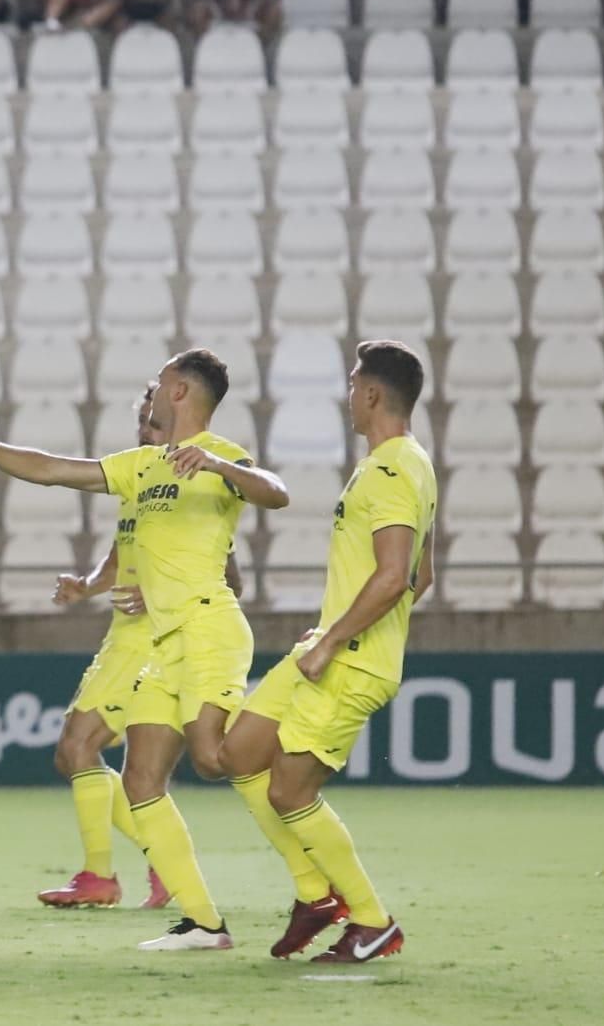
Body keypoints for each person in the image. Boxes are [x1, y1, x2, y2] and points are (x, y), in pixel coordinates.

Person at [0, 348, 291, 950]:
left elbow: (276, 493)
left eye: (160, 385)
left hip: (201, 630)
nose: (149, 397)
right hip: (160, 645)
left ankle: (306, 838)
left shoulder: (221, 456)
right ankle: (203, 922)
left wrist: (220, 469)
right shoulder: (140, 468)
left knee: (211, 759)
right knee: (140, 778)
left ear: (178, 391)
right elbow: (49, 468)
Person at [218, 342, 436, 964]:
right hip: (331, 645)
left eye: (351, 384)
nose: (348, 396)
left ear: (370, 394)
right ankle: (316, 896)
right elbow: (424, 576)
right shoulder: (408, 465)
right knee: (239, 753)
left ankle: (372, 921)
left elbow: (396, 576)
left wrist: (343, 640)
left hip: (347, 655)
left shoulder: (392, 470)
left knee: (289, 792)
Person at [45, 380, 249, 911]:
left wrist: (159, 592)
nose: (143, 425)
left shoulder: (193, 476)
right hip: (124, 636)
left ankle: (101, 875)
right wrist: (87, 586)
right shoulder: (141, 477)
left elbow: (232, 578)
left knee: (81, 749)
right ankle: (151, 861)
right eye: (140, 418)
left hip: (157, 639)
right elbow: (117, 556)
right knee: (74, 755)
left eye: (150, 416)